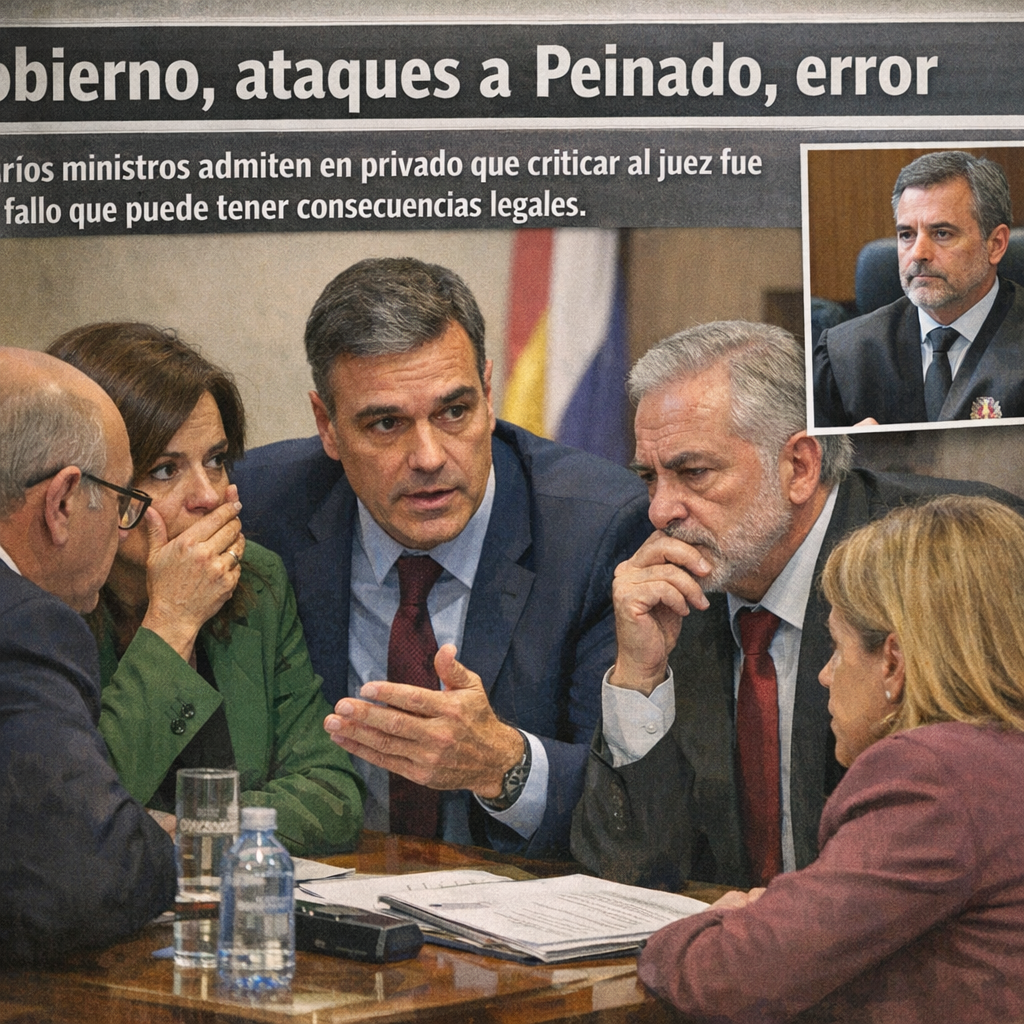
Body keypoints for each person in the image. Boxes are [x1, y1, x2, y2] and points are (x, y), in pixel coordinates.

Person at [571, 319, 1022, 889]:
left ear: (800, 467)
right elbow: (626, 874)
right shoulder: (669, 591)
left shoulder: (943, 563)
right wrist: (639, 679)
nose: (661, 511)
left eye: (693, 473)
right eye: (649, 478)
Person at [232, 257, 650, 857]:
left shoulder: (596, 530)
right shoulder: (261, 509)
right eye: (386, 424)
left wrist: (504, 765)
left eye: (454, 412)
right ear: (327, 426)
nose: (429, 457)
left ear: (488, 394)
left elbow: (631, 804)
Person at [638, 495, 1024, 1023]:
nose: (824, 675)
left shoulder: (931, 777)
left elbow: (729, 975)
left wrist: (699, 931)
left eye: (838, 648)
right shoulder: (998, 762)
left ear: (892, 663)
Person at [48, 323, 364, 856]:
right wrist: (172, 621)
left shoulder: (254, 578)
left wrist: (191, 827)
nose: (208, 496)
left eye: (215, 461)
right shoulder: (38, 606)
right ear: (87, 487)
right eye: (164, 470)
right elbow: (72, 820)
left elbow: (333, 797)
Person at [0, 347, 175, 964]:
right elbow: (88, 878)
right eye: (125, 500)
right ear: (63, 502)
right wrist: (155, 841)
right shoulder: (23, 624)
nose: (128, 526)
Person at [814, 150, 1024, 426]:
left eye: (942, 233)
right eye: (906, 235)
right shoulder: (844, 355)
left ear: (995, 244)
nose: (918, 253)